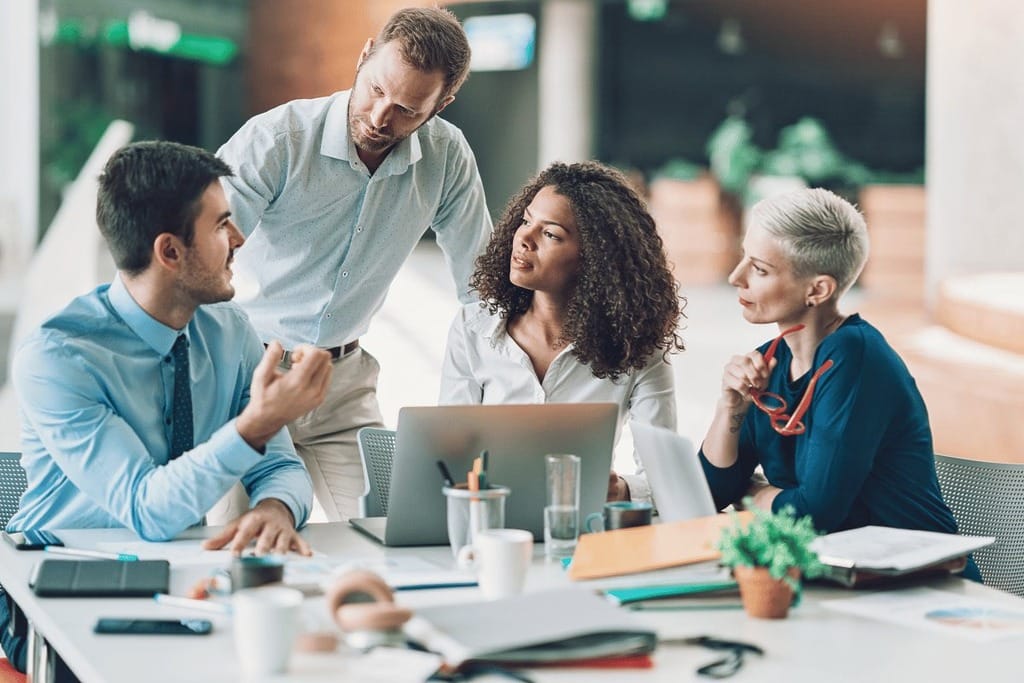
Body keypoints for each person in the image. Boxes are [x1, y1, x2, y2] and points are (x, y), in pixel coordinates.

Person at [1, 140, 331, 672]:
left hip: (178, 571)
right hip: (55, 591)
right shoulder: (58, 358)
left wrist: (275, 508)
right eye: (222, 225)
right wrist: (254, 426)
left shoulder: (229, 331)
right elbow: (146, 508)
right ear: (170, 252)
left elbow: (282, 465)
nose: (239, 239)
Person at [216, 7, 492, 521]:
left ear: (442, 104)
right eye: (376, 90)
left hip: (344, 388)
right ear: (365, 56)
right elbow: (204, 254)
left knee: (394, 534)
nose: (381, 117)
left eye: (409, 109)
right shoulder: (278, 139)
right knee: (232, 548)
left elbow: (483, 288)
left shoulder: (447, 157)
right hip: (246, 378)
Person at [699, 188, 978, 577]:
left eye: (759, 269)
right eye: (743, 257)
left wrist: (753, 493)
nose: (735, 277)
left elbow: (816, 514)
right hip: (839, 578)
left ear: (818, 290)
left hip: (921, 585)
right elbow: (709, 494)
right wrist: (730, 407)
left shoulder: (855, 357)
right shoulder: (769, 361)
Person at [439, 161, 685, 504]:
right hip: (489, 526)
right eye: (526, 221)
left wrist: (623, 490)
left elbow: (667, 476)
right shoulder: (472, 329)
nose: (523, 238)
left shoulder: (639, 347)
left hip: (581, 530)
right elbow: (447, 459)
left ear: (594, 259)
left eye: (550, 234)